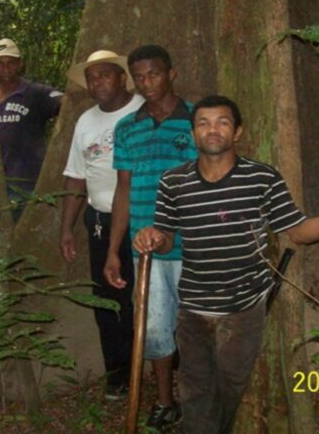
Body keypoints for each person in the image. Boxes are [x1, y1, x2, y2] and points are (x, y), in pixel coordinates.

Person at [133, 95, 319, 434]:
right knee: (195, 392)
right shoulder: (174, 182)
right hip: (193, 308)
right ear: (192, 134)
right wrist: (154, 237)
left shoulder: (262, 179)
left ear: (238, 132)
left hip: (243, 309)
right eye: (202, 123)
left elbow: (299, 231)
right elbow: (168, 236)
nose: (212, 130)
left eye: (222, 122)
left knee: (229, 390)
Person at [104, 45, 198, 431]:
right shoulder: (127, 128)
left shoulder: (197, 120)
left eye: (154, 74)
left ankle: (200, 402)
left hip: (193, 247)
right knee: (155, 331)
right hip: (145, 251)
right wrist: (113, 251)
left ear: (171, 73)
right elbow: (123, 191)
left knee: (196, 328)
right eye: (139, 77)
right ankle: (165, 401)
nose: (147, 83)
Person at [60, 50, 145, 400]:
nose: (97, 83)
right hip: (100, 220)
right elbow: (76, 178)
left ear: (122, 77)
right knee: (109, 300)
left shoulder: (144, 112)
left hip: (144, 217)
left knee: (150, 293)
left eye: (105, 75)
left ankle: (163, 364)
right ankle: (119, 375)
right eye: (92, 78)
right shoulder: (85, 121)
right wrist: (67, 227)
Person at [0, 38, 62, 221]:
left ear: (20, 64)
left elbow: (67, 105)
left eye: (11, 63)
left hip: (28, 181)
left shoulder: (36, 93)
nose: (6, 68)